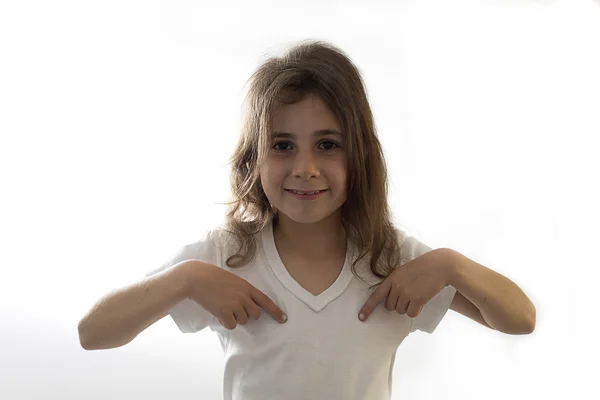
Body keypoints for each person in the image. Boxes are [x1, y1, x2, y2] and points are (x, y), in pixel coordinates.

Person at [78, 40, 536, 400]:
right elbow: (93, 333)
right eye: (282, 145)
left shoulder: (391, 259)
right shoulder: (224, 255)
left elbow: (520, 319)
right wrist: (187, 279)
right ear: (254, 158)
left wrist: (450, 265)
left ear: (358, 156)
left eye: (327, 144)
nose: (305, 168)